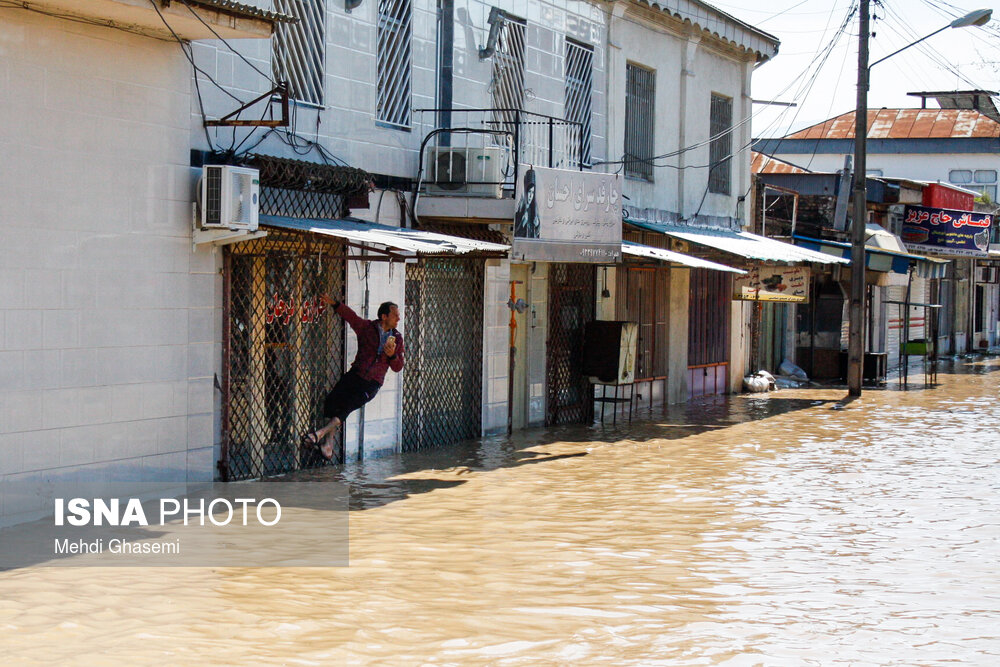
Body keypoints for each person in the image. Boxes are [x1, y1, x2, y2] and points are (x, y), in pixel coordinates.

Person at [302, 297, 404, 462]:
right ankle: (328, 446)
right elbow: (351, 317)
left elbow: (398, 367)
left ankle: (318, 434)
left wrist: (392, 356)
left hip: (372, 383)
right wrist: (336, 304)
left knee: (346, 408)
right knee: (331, 402)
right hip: (356, 374)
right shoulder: (367, 328)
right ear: (384, 316)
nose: (398, 319)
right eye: (395, 315)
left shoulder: (397, 339)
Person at [514, 168, 539, 238]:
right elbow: (516, 234)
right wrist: (522, 223)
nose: (531, 195)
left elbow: (537, 235)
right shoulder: (520, 211)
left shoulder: (535, 211)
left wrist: (537, 225)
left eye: (532, 192)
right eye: (529, 192)